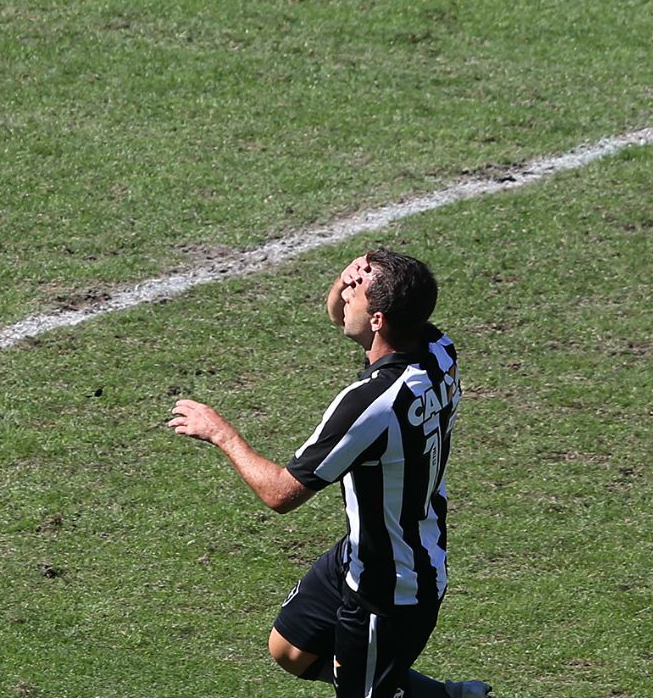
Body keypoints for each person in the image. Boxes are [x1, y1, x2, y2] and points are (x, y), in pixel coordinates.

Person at [168, 249, 490, 698]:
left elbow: (281, 493)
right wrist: (345, 283)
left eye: (355, 290)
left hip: (390, 590)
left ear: (377, 320)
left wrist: (221, 433)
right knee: (291, 649)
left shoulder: (371, 405)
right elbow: (345, 320)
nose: (345, 298)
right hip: (369, 548)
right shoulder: (438, 349)